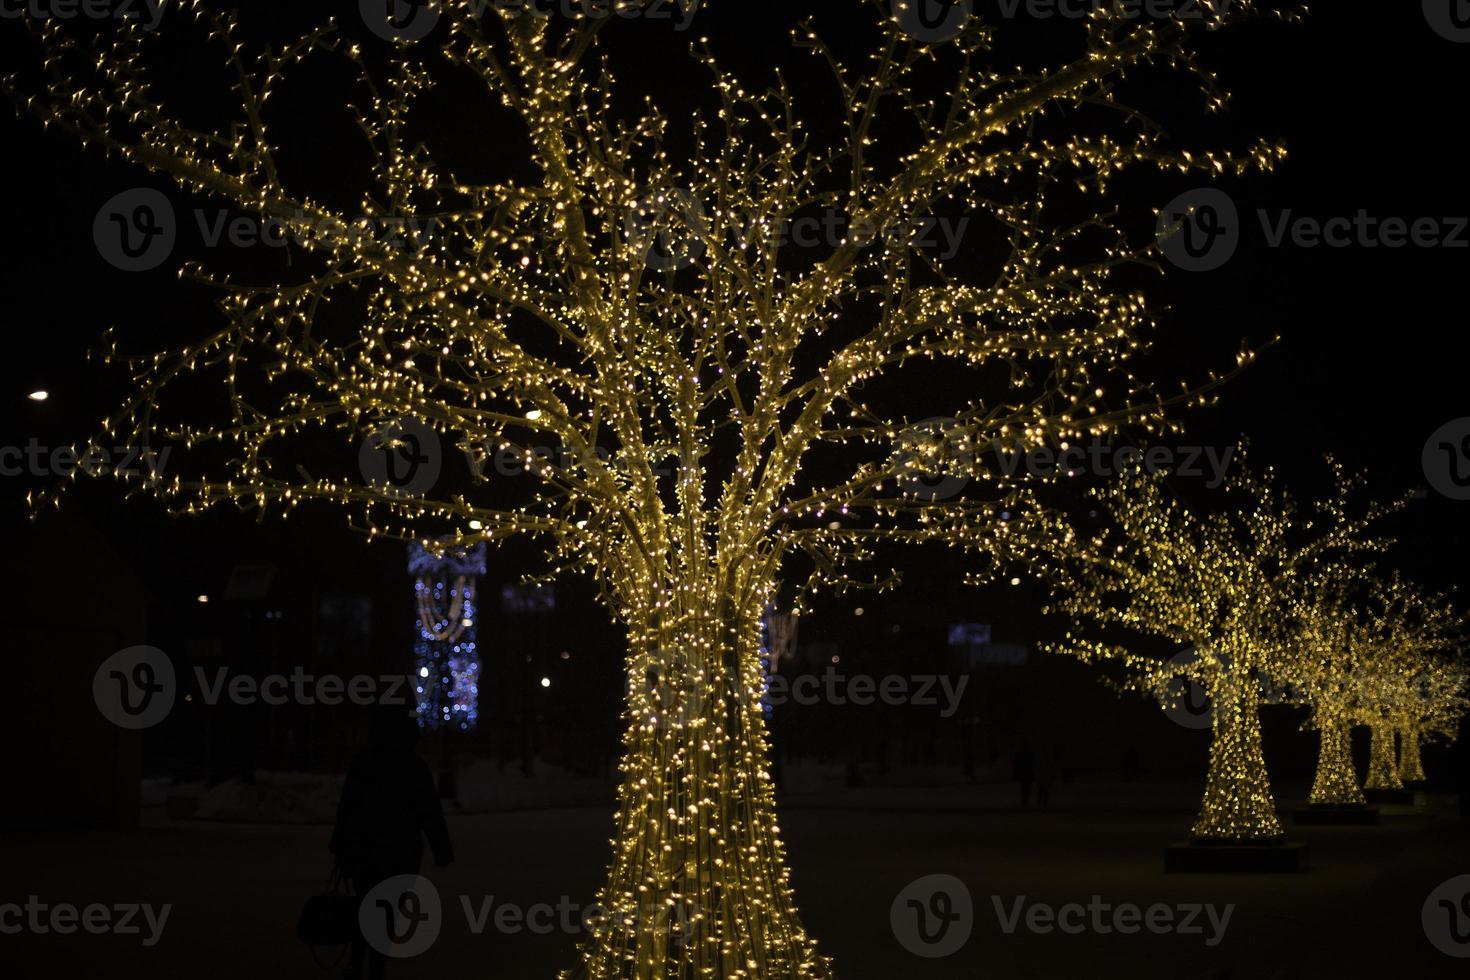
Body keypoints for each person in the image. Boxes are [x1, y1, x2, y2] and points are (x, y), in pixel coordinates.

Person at [331, 708, 454, 979]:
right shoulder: (413, 766)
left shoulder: (364, 763)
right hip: (402, 852)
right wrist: (441, 850)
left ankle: (356, 960)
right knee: (386, 912)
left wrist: (340, 846)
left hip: (364, 849)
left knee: (364, 904)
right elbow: (430, 813)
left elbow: (347, 808)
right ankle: (376, 967)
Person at [1013, 741, 1036, 809]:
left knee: (1025, 787)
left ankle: (1025, 800)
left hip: (1026, 773)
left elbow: (1016, 763)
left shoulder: (1021, 754)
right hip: (1026, 773)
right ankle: (1025, 800)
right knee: (1026, 787)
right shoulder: (1028, 754)